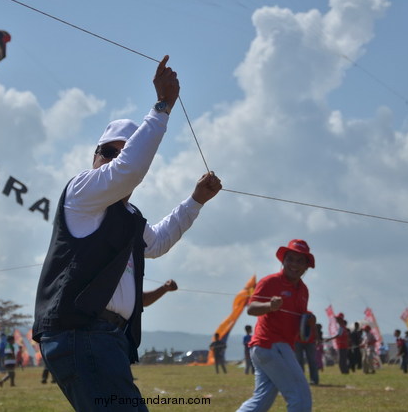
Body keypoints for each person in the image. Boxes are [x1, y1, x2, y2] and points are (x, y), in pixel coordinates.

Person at [32, 55, 222, 412]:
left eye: (123, 151)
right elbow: (128, 170)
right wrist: (162, 106)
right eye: (108, 152)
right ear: (94, 156)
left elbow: (159, 241)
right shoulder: (81, 192)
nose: (114, 159)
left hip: (106, 338)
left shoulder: (129, 216)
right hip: (81, 334)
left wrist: (196, 200)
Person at [236, 239, 315, 412]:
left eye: (300, 261)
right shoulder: (270, 282)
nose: (294, 264)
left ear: (306, 266)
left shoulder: (303, 290)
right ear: (283, 261)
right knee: (300, 398)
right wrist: (269, 306)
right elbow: (251, 308)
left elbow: (300, 322)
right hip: (270, 345)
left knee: (261, 401)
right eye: (290, 259)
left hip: (275, 347)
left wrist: (309, 321)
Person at [294, 314, 319, 385]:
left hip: (310, 342)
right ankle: (300, 381)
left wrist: (317, 338)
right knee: (299, 361)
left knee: (312, 361)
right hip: (297, 341)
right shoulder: (296, 314)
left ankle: (314, 380)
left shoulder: (310, 314)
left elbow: (314, 327)